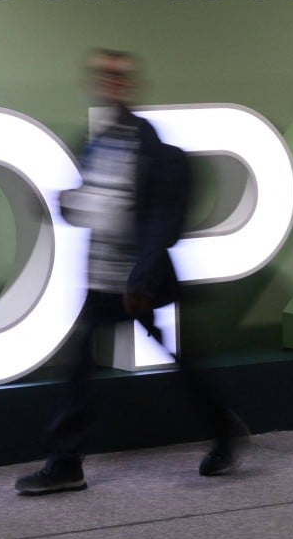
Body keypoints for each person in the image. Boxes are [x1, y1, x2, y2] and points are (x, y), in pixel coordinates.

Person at [15, 49, 247, 495]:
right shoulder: (96, 142)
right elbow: (97, 204)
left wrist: (141, 280)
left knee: (182, 362)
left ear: (132, 85)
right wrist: (68, 203)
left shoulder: (156, 151)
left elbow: (161, 223)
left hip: (142, 281)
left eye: (120, 77)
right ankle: (65, 464)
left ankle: (223, 428)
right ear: (95, 83)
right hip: (103, 281)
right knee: (82, 366)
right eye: (105, 76)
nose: (113, 84)